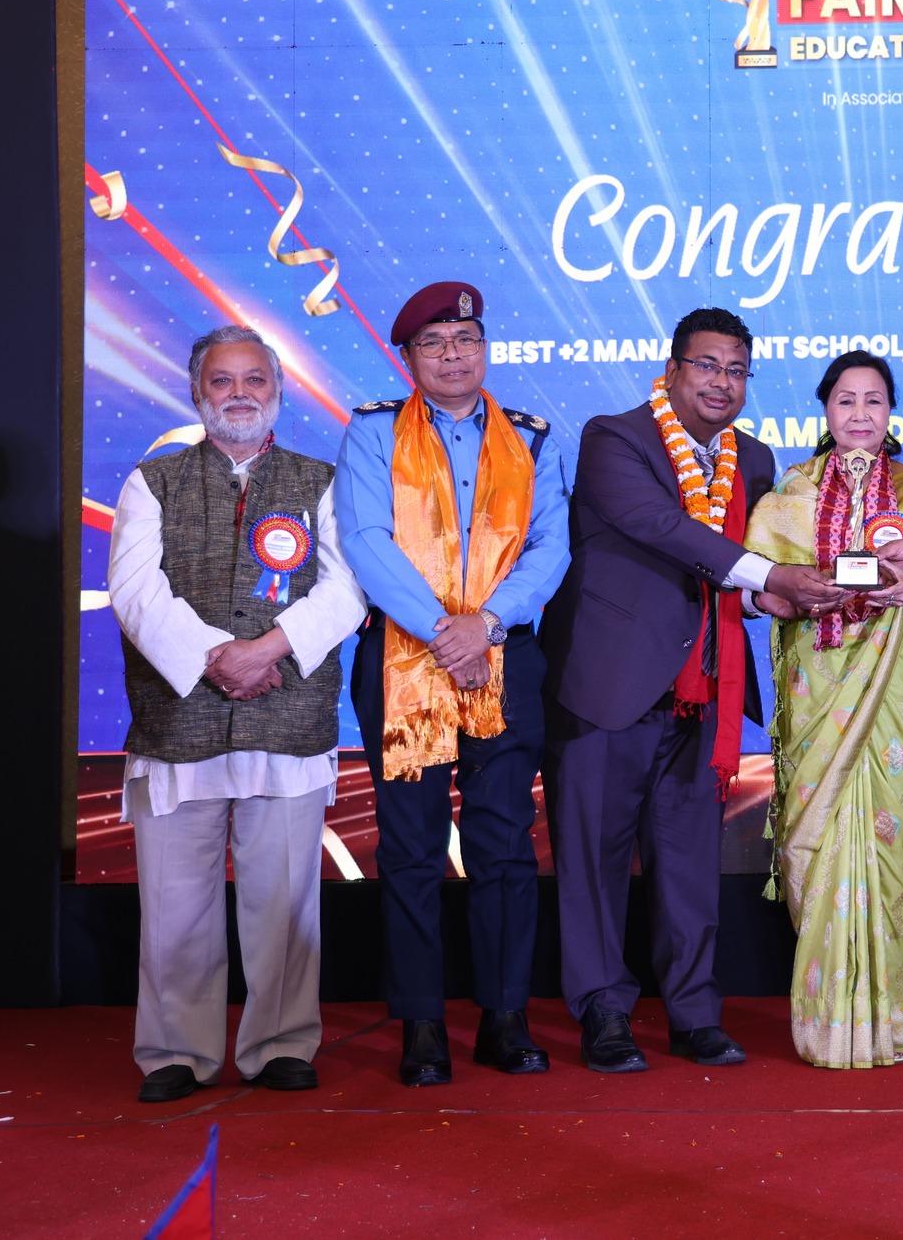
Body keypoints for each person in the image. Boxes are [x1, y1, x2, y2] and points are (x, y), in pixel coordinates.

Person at [542, 308, 844, 1073]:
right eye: (707, 365)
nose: (722, 382)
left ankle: (694, 1013)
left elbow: (743, 573)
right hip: (609, 686)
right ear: (673, 368)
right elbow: (662, 527)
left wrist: (783, 592)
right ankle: (604, 1012)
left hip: (704, 691)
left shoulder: (756, 459)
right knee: (594, 860)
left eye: (737, 370)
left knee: (688, 863)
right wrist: (769, 574)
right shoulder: (615, 438)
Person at [108, 325, 366, 1103]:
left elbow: (348, 588)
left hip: (286, 720)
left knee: (283, 900)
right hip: (179, 723)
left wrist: (267, 651)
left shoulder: (322, 480)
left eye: (256, 379)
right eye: (223, 380)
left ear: (278, 391)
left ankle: (280, 1044)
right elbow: (135, 591)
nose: (240, 393)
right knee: (174, 905)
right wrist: (217, 656)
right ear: (197, 392)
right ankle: (174, 1052)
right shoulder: (152, 481)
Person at [336, 281, 571, 1087]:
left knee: (504, 842)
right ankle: (422, 1023)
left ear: (485, 349)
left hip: (505, 657)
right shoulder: (372, 433)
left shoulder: (532, 439)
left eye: (466, 339)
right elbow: (366, 539)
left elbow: (550, 547)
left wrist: (487, 625)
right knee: (410, 848)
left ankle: (505, 1016)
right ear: (407, 357)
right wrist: (448, 631)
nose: (452, 355)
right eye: (433, 343)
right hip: (404, 658)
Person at [744, 351, 903, 1068]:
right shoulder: (788, 495)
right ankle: (826, 1022)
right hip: (819, 690)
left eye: (874, 400)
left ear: (892, 412)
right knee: (816, 844)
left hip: (896, 692)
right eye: (846, 400)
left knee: (893, 845)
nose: (861, 414)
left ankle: (889, 1019)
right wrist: (777, 596)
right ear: (826, 409)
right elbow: (757, 585)